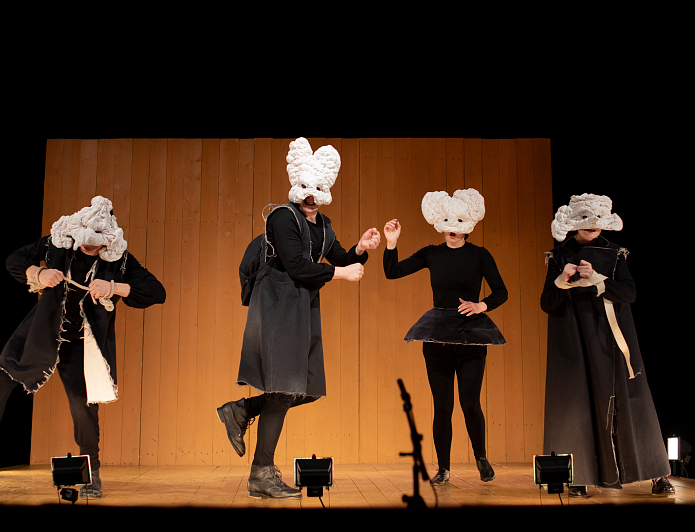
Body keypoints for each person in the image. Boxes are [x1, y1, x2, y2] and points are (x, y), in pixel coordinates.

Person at [0, 196, 166, 498]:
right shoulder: (59, 243)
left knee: (83, 407)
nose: (90, 247)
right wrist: (38, 273)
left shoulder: (119, 259)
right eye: (87, 241)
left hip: (81, 344)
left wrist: (116, 288)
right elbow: (14, 260)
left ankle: (91, 474)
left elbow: (156, 291)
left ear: (107, 240)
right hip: (41, 331)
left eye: (97, 243)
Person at [217, 138, 380, 499]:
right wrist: (340, 274)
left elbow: (340, 257)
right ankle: (261, 473)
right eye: (305, 187)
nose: (310, 196)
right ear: (296, 184)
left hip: (302, 306)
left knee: (306, 388)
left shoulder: (324, 225)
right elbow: (296, 265)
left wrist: (360, 249)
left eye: (317, 189)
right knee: (283, 389)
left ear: (326, 190)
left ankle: (241, 410)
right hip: (277, 304)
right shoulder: (282, 217)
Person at [541, 193, 674, 497]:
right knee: (576, 403)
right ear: (574, 222)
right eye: (585, 219)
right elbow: (547, 303)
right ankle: (577, 476)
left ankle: (656, 473)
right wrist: (562, 280)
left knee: (633, 398)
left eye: (598, 220)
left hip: (611, 337)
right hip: (574, 338)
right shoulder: (559, 256)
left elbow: (629, 294)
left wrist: (598, 279)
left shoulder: (615, 254)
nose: (592, 225)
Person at [382, 189, 507, 485]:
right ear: (440, 222)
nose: (453, 228)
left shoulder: (479, 255)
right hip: (438, 336)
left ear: (468, 224)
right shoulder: (432, 253)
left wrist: (481, 305)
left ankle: (481, 458)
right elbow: (393, 272)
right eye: (448, 221)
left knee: (470, 402)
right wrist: (391, 242)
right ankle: (444, 469)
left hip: (471, 337)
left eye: (459, 222)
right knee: (443, 406)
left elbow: (501, 291)